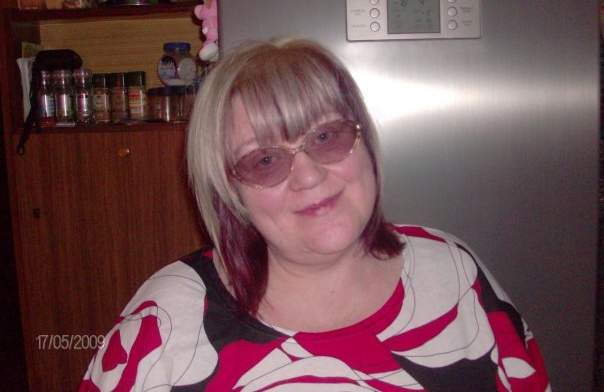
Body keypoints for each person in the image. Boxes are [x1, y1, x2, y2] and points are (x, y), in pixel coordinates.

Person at [80, 38, 550, 391]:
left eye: (326, 137)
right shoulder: (163, 323)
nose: (308, 176)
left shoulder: (455, 273)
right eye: (266, 160)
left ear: (364, 141)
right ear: (230, 191)